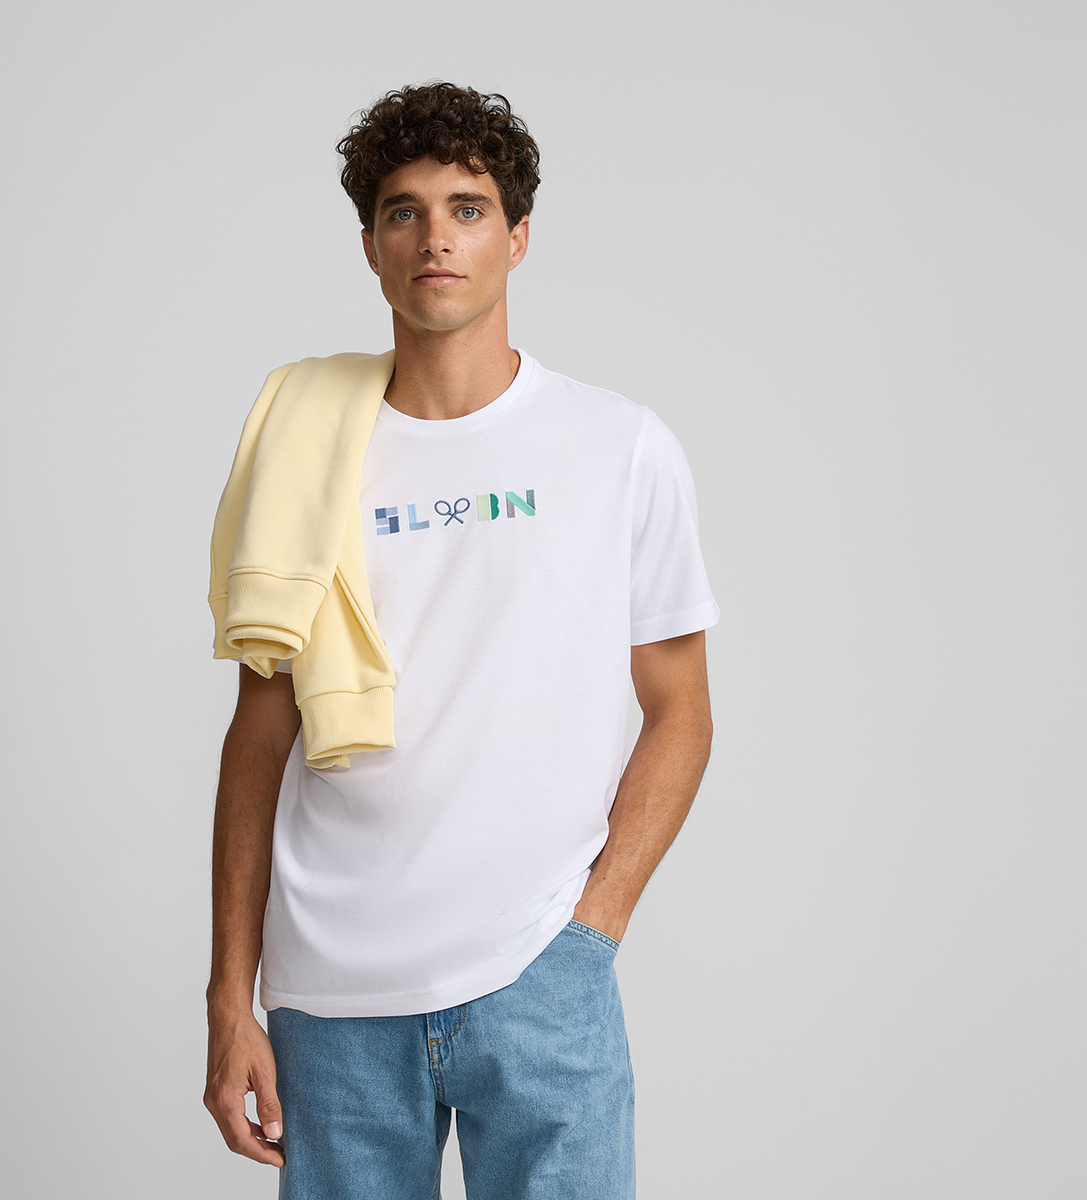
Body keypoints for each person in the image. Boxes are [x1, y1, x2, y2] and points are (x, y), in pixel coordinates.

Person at [200, 82, 720, 1199]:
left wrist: (591, 929)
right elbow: (258, 734)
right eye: (405, 211)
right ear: (371, 247)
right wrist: (226, 998)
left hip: (539, 972)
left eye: (467, 208)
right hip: (332, 996)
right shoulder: (302, 451)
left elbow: (681, 708)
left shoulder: (617, 447)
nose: (436, 236)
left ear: (517, 237)